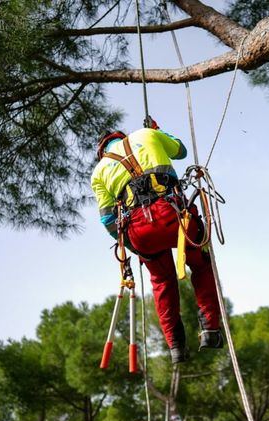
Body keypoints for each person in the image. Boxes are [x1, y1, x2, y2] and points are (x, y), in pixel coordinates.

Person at [90, 125, 224, 363]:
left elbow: (108, 220)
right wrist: (158, 131)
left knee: (162, 281)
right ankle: (211, 331)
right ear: (122, 136)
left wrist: (134, 247)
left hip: (140, 230)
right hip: (174, 216)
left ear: (102, 151)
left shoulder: (99, 172)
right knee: (201, 265)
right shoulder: (146, 134)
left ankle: (176, 348)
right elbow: (180, 151)